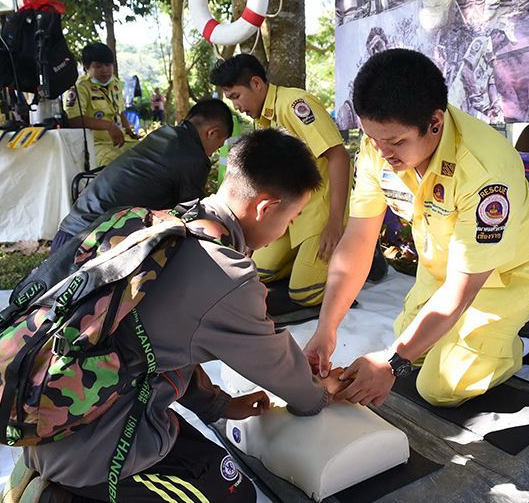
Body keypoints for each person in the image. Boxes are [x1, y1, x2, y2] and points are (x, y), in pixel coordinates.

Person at [25, 128, 349, 501]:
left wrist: (219, 405)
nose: (286, 231)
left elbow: (157, 344)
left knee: (223, 473)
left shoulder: (169, 223)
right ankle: (62, 496)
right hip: (94, 450)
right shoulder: (226, 274)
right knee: (235, 496)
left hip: (72, 412)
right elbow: (279, 366)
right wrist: (321, 393)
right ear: (265, 207)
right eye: (291, 219)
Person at [304, 49, 529, 408]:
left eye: (396, 142)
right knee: (408, 343)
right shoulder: (377, 145)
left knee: (439, 386)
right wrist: (326, 328)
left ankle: (528, 336)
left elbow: (463, 288)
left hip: (503, 277)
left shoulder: (483, 170)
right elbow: (358, 240)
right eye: (373, 138)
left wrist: (392, 363)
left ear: (435, 122)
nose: (383, 153)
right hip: (444, 268)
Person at [211, 54, 352, 313]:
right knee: (259, 271)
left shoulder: (295, 105)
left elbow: (339, 156)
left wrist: (335, 221)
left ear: (256, 83)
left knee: (304, 292)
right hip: (289, 212)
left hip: (319, 211)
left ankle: (359, 256)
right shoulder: (263, 118)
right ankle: (306, 261)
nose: (236, 106)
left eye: (235, 96)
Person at [52, 98, 233, 253]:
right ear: (212, 132)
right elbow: (195, 219)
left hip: (69, 231)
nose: (213, 152)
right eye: (219, 145)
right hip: (89, 245)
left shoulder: (164, 134)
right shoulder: (193, 156)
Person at [64, 42, 139, 167]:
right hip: (94, 144)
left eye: (108, 65)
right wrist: (109, 126)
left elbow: (120, 111)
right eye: (98, 66)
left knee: (149, 155)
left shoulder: (115, 83)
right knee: (114, 165)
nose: (104, 70)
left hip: (121, 140)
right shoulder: (79, 88)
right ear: (86, 68)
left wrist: (129, 131)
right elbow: (74, 120)